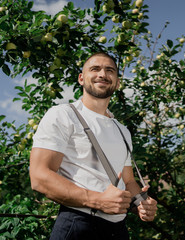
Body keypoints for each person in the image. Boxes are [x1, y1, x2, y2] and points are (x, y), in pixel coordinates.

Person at [29, 52, 157, 240]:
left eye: (110, 70)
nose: (102, 74)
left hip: (118, 230)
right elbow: (39, 177)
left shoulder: (122, 130)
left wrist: (142, 202)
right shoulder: (63, 115)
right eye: (95, 69)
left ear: (117, 82)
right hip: (78, 225)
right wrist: (98, 201)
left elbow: (128, 181)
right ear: (81, 78)